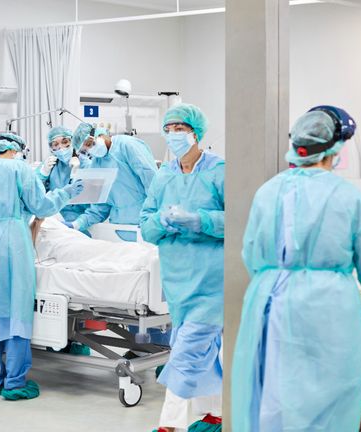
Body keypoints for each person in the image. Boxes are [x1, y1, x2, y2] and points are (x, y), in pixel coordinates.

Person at [232, 106, 361, 432]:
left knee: (272, 394)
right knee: (326, 399)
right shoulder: (349, 196)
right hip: (327, 309)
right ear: (337, 149)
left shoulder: (267, 191)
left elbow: (250, 254)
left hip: (267, 301)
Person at [0, 133, 84, 401]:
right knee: (17, 309)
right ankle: (15, 382)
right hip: (12, 243)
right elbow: (41, 205)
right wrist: (66, 193)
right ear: (16, 150)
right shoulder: (20, 169)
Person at [140, 104, 224, 432]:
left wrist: (199, 220)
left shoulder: (219, 170)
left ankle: (169, 425)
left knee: (187, 354)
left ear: (196, 133)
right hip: (178, 282)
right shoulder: (164, 175)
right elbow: (145, 225)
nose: (174, 134)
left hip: (211, 280)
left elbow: (240, 218)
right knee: (208, 351)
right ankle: (215, 414)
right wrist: (161, 221)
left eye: (180, 128)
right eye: (169, 128)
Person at [67, 124, 157, 236]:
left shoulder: (127, 145)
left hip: (145, 222)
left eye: (89, 144)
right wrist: (76, 224)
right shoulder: (96, 165)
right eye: (85, 151)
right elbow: (99, 208)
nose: (91, 150)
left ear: (98, 133)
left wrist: (153, 215)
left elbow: (153, 182)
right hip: (119, 227)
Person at [36, 125, 88, 223]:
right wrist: (43, 174)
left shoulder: (85, 164)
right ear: (51, 148)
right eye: (55, 144)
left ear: (72, 142)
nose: (61, 147)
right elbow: (35, 193)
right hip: (54, 215)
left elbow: (92, 198)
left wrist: (76, 174)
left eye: (65, 142)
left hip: (79, 217)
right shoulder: (50, 164)